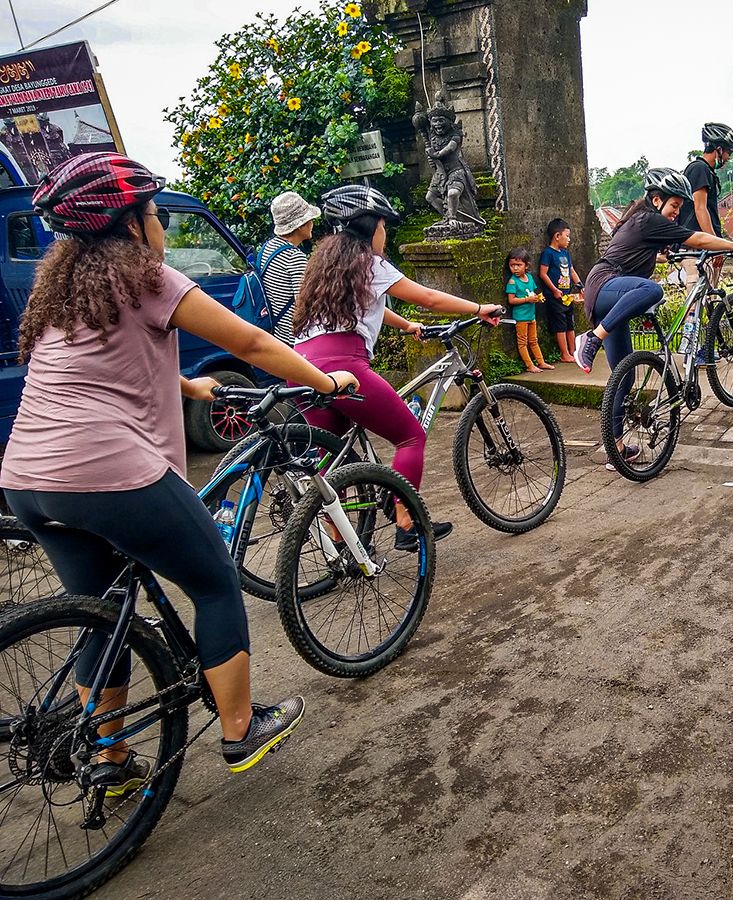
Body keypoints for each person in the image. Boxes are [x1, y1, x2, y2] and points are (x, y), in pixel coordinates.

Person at [0, 152, 361, 782]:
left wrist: (189, 388)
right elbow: (249, 343)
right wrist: (325, 379)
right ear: (133, 226)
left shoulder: (62, 290)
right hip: (105, 471)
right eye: (156, 214)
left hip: (29, 478)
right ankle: (242, 729)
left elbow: (101, 364)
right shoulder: (148, 277)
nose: (161, 225)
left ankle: (109, 758)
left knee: (98, 612)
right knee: (216, 579)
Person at [292, 184, 502, 549]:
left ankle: (340, 544)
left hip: (301, 366)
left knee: (331, 458)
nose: (385, 235)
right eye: (384, 227)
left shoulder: (325, 264)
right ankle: (406, 523)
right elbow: (429, 298)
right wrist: (478, 308)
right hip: (344, 365)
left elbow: (369, 305)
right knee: (410, 437)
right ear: (372, 226)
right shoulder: (369, 262)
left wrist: (406, 326)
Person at [577, 167, 733, 466]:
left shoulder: (639, 220)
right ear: (657, 199)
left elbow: (641, 249)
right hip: (607, 287)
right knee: (653, 291)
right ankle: (592, 339)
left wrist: (662, 256)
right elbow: (697, 238)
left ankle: (616, 450)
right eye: (674, 206)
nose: (676, 213)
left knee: (624, 377)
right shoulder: (650, 218)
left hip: (604, 296)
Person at [678, 122, 733, 286]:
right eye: (728, 152)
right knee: (696, 296)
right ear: (719, 149)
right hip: (696, 247)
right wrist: (714, 245)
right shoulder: (699, 169)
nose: (728, 158)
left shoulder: (708, 172)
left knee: (711, 298)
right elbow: (700, 209)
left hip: (705, 246)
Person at [257, 191, 322, 345]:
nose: (312, 223)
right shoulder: (294, 257)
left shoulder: (267, 248)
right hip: (292, 339)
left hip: (274, 333)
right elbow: (304, 304)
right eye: (310, 219)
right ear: (300, 225)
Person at [538, 218, 583, 364]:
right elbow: (543, 273)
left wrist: (580, 286)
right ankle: (564, 353)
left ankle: (573, 351)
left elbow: (571, 271)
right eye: (567, 236)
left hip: (567, 294)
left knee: (570, 323)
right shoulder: (548, 253)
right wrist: (554, 290)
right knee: (560, 326)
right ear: (557, 236)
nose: (569, 239)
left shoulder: (565, 253)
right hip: (555, 296)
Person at [506, 247, 552, 373]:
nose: (515, 268)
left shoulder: (530, 278)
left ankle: (541, 362)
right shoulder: (512, 282)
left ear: (526, 265)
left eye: (518, 265)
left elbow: (532, 292)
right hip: (520, 317)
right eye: (512, 265)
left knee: (533, 340)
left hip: (531, 315)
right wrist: (527, 300)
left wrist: (538, 298)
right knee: (522, 342)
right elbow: (511, 300)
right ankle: (529, 365)